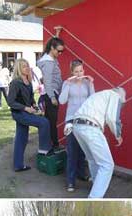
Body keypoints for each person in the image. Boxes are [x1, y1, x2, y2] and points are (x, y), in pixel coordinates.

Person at [69, 87, 126, 198]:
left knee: (92, 160)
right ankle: (94, 197)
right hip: (90, 128)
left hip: (77, 126)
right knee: (107, 165)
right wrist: (118, 134)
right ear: (120, 96)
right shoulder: (114, 95)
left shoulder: (99, 95)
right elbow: (112, 118)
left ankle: (96, 187)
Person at [7, 58, 53, 172]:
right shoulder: (15, 83)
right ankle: (44, 149)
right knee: (44, 122)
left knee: (21, 138)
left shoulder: (28, 81)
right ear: (19, 68)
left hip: (26, 112)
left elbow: (30, 98)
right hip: (19, 113)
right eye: (24, 66)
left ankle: (18, 165)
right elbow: (10, 102)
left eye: (27, 65)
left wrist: (34, 106)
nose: (27, 68)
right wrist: (26, 108)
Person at [58, 59, 94, 192]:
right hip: (71, 120)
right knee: (72, 151)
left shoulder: (86, 83)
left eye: (81, 70)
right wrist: (66, 85)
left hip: (84, 120)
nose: (79, 73)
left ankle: (82, 174)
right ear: (72, 72)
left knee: (83, 150)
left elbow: (92, 99)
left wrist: (91, 84)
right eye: (76, 71)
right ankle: (70, 181)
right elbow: (62, 101)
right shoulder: (68, 83)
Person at [37, 37, 65, 151]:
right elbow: (47, 80)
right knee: (51, 122)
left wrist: (57, 34)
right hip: (51, 94)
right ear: (52, 48)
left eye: (61, 51)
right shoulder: (48, 62)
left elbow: (53, 42)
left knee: (49, 121)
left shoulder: (49, 57)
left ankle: (49, 145)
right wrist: (52, 97)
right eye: (58, 51)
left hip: (51, 93)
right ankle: (54, 145)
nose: (60, 53)